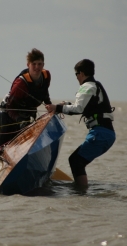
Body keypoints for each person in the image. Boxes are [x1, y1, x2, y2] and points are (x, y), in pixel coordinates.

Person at [45, 59, 115, 189]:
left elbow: (78, 109)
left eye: (76, 74)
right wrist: (65, 105)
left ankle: (81, 193)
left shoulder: (88, 86)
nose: (76, 78)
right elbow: (82, 105)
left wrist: (57, 108)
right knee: (77, 161)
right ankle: (81, 190)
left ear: (81, 73)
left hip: (101, 133)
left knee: (76, 161)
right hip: (105, 133)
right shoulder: (95, 85)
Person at [0, 48, 52, 146]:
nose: (37, 67)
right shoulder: (20, 83)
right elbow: (10, 107)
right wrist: (20, 120)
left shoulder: (46, 75)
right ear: (28, 65)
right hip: (8, 113)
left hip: (26, 113)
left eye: (39, 64)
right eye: (34, 64)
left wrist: (49, 105)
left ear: (43, 65)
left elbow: (44, 92)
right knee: (3, 146)